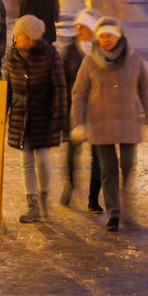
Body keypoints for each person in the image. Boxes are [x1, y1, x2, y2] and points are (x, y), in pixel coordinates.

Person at [70, 16, 148, 231]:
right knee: (108, 169)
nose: (106, 40)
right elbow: (79, 93)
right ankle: (114, 213)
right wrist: (78, 122)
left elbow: (146, 89)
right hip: (101, 123)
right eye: (102, 36)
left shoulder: (133, 59)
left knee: (127, 164)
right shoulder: (90, 61)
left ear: (118, 36)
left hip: (128, 121)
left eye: (109, 36)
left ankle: (126, 204)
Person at [4, 14, 68, 222]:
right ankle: (32, 204)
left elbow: (59, 87)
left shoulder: (49, 55)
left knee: (42, 159)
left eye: (19, 34)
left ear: (30, 37)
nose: (16, 37)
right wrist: (1, 113)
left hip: (43, 116)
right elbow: (7, 87)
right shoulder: (13, 55)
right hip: (20, 115)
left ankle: (43, 198)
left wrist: (59, 116)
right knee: (26, 160)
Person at [60, 11, 104, 211]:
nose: (78, 30)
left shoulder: (101, 51)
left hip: (97, 112)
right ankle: (70, 184)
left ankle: (93, 199)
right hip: (75, 109)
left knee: (98, 157)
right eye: (77, 26)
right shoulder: (71, 50)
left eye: (82, 27)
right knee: (72, 153)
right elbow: (62, 78)